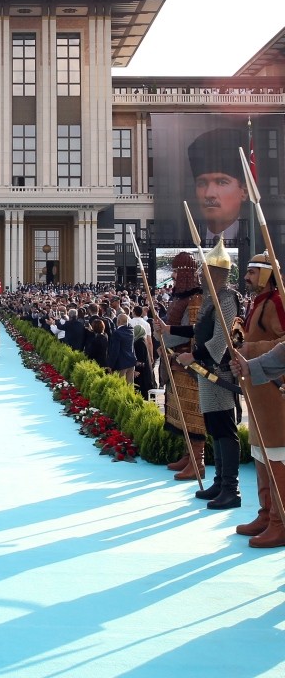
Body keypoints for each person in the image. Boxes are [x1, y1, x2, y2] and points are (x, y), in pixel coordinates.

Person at [157, 238, 242, 510]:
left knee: (225, 430)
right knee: (215, 430)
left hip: (219, 372)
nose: (199, 276)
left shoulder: (226, 298)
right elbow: (197, 331)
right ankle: (219, 482)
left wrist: (192, 356)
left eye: (204, 272)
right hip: (206, 372)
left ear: (216, 273)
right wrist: (169, 330)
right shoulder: (210, 300)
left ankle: (231, 488)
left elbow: (220, 340)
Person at [231, 252, 285, 547]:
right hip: (257, 387)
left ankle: (280, 520)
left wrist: (250, 351)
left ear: (265, 275)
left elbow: (283, 342)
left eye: (252, 272)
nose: (247, 277)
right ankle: (266, 514)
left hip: (275, 390)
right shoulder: (257, 302)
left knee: (276, 452)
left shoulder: (278, 302)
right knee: (261, 452)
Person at [160, 252, 206, 481]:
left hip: (189, 365)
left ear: (187, 273)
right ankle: (189, 456)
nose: (174, 275)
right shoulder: (180, 298)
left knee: (193, 415)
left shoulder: (195, 299)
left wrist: (166, 336)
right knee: (182, 414)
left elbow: (193, 333)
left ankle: (198, 462)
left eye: (177, 271)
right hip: (176, 362)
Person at [188, 128, 248, 244]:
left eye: (221, 182)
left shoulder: (261, 240)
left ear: (244, 191)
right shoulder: (187, 238)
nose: (209, 194)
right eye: (202, 183)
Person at [106, 313, 136, 383]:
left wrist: (110, 365)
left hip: (121, 364)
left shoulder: (117, 333)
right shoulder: (131, 330)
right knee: (129, 386)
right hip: (131, 362)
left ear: (118, 321)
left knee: (120, 386)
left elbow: (115, 351)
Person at [133, 325, 156, 400]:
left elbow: (141, 360)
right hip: (144, 372)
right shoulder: (141, 340)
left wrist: (136, 371)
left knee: (142, 394)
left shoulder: (139, 343)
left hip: (141, 374)